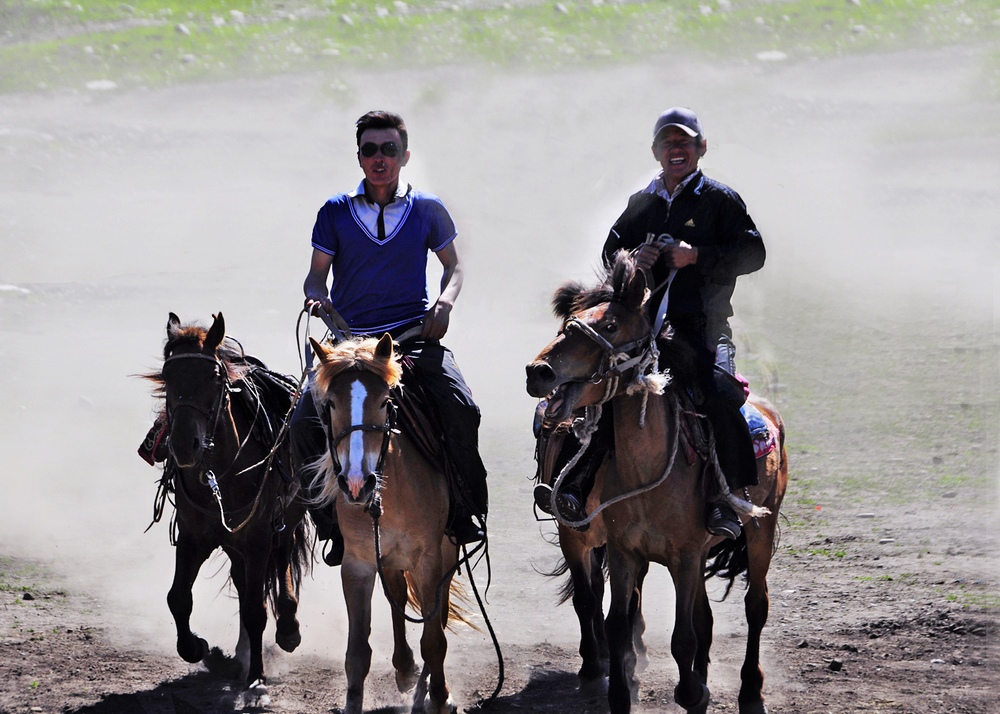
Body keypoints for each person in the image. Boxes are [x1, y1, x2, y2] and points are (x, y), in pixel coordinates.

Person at [536, 106, 764, 539]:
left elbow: (754, 253)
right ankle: (577, 485)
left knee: (719, 394)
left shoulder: (719, 199)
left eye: (684, 142)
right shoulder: (642, 203)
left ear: (701, 148)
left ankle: (726, 499)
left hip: (704, 328)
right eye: (668, 143)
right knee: (601, 391)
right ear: (656, 151)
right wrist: (632, 260)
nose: (676, 150)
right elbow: (610, 255)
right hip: (643, 332)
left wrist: (695, 255)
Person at [291, 110, 488, 566]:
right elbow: (315, 279)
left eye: (389, 149)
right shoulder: (335, 212)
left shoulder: (427, 210)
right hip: (347, 346)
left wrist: (445, 305)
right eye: (370, 150)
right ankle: (331, 526)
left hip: (411, 339)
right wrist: (317, 300)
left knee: (462, 409)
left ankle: (463, 512)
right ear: (359, 157)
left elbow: (453, 267)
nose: (380, 158)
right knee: (302, 421)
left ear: (405, 155)